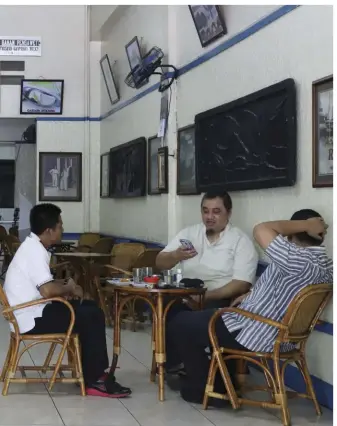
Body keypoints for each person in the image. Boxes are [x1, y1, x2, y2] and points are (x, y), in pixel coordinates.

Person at [166, 209, 332, 404]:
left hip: (254, 331)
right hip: (284, 337)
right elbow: (286, 288)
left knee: (180, 322)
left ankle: (207, 389)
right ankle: (217, 381)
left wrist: (306, 225)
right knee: (199, 320)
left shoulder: (295, 259)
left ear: (291, 232)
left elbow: (260, 229)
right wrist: (251, 294)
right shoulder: (325, 265)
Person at [4, 203, 131, 399]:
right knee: (92, 315)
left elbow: (44, 285)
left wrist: (64, 287)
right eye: (60, 226)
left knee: (87, 308)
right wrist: (70, 287)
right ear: (49, 230)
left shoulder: (33, 246)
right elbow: (47, 290)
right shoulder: (34, 252)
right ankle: (96, 379)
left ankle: (89, 370)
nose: (63, 229)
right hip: (31, 318)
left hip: (30, 312)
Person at [156, 190, 258, 372]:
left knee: (195, 318)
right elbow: (160, 262)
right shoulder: (190, 233)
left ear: (229, 212)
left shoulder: (240, 241)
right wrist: (175, 255)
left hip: (221, 299)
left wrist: (206, 296)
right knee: (167, 309)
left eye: (216, 212)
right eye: (205, 211)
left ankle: (203, 369)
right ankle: (177, 365)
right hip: (187, 294)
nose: (209, 217)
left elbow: (242, 283)